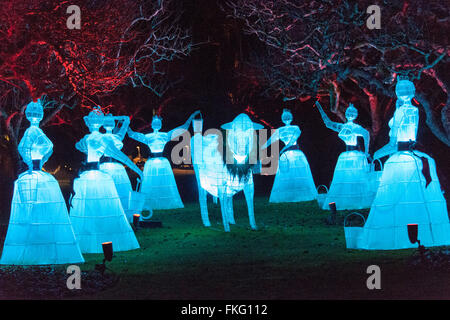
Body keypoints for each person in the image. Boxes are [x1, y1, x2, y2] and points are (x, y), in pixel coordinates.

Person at [354, 78, 450, 249]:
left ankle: (413, 234)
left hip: (403, 153)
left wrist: (377, 153)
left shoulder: (407, 112)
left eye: (405, 89)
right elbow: (396, 139)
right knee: (409, 194)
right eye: (400, 89)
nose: (402, 92)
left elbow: (395, 141)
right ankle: (414, 233)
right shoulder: (406, 111)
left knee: (408, 193)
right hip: (405, 151)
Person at [0, 99, 84, 265]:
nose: (36, 116)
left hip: (35, 170)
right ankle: (34, 241)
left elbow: (44, 146)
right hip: (33, 170)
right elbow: (41, 146)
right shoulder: (33, 132)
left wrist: (35, 161)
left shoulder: (33, 132)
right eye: (33, 113)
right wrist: (34, 161)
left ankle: (40, 240)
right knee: (31, 206)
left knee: (39, 205)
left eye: (38, 113)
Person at [70, 107, 140, 253]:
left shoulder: (95, 139)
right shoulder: (95, 138)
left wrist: (137, 169)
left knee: (94, 204)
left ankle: (94, 233)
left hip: (91, 172)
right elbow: (121, 156)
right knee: (93, 204)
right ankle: (91, 234)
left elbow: (120, 156)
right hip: (91, 173)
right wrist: (138, 170)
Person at [127, 111, 200, 210]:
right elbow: (131, 134)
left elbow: (182, 128)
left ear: (161, 124)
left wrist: (191, 118)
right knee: (151, 182)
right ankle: (151, 202)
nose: (156, 124)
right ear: (151, 124)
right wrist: (125, 124)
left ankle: (163, 201)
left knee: (163, 181)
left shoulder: (165, 135)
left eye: (158, 122)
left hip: (161, 162)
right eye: (154, 122)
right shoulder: (147, 137)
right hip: (152, 162)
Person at [316, 102, 374, 210]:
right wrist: (320, 108)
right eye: (349, 112)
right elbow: (328, 123)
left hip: (355, 153)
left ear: (356, 115)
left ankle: (358, 199)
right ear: (346, 114)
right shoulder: (342, 126)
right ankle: (347, 199)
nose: (350, 114)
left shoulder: (356, 128)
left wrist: (366, 151)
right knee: (346, 176)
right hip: (347, 153)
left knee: (356, 176)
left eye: (353, 113)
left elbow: (366, 134)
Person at [263, 109, 317, 203]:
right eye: (284, 117)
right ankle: (289, 195)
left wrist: (284, 149)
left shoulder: (295, 128)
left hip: (295, 153)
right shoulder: (280, 130)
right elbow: (270, 140)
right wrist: (262, 147)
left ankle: (301, 194)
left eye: (288, 116)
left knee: (298, 172)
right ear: (282, 118)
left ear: (291, 117)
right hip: (286, 155)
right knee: (286, 173)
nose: (286, 118)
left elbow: (293, 139)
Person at [99, 114, 141, 220]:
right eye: (106, 122)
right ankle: (108, 212)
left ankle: (121, 213)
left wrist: (111, 118)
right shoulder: (100, 137)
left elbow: (126, 119)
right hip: (105, 166)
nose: (109, 123)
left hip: (117, 166)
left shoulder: (118, 136)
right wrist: (109, 118)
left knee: (120, 190)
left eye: (111, 122)